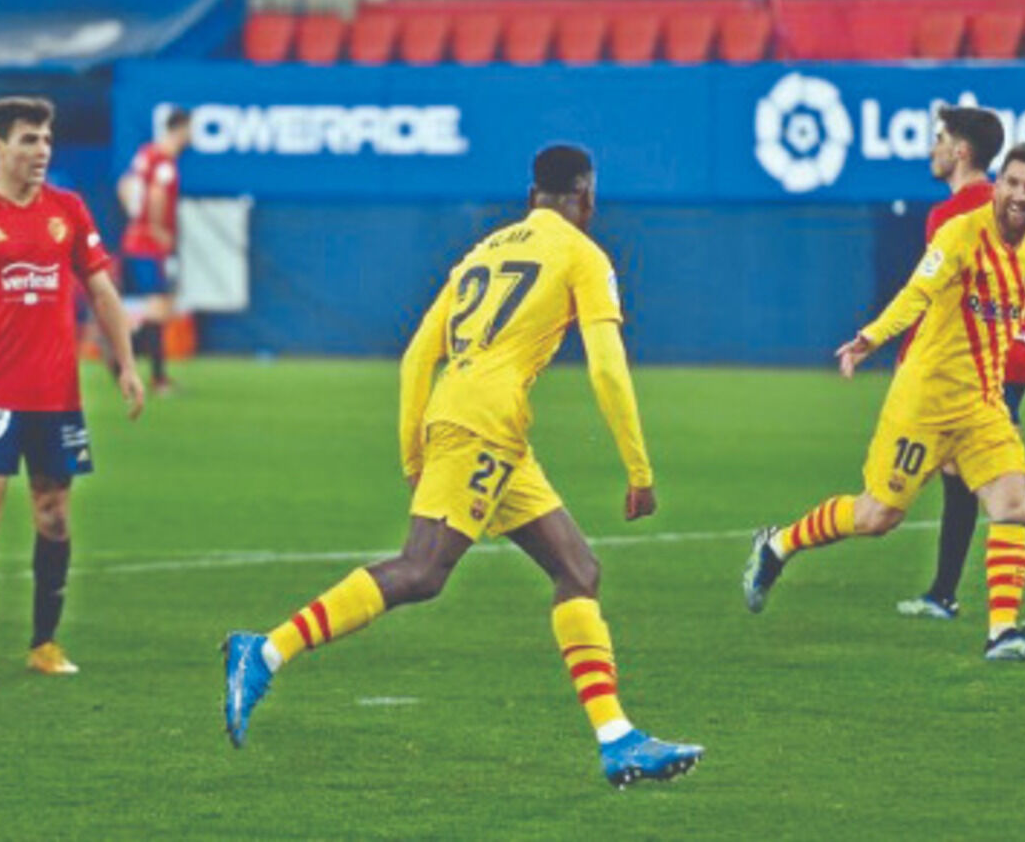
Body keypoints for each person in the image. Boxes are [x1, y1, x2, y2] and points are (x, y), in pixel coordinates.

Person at [221, 145, 703, 789]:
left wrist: (411, 454)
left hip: (488, 427)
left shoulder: (481, 251)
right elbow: (608, 365)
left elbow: (418, 356)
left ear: (533, 194)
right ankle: (267, 651)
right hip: (484, 424)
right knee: (422, 570)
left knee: (577, 569)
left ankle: (617, 740)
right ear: (586, 195)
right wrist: (638, 469)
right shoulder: (585, 256)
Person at [742, 143, 1025, 663]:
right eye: (1013, 183)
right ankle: (778, 545)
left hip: (982, 405)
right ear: (998, 186)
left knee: (1014, 504)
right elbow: (916, 293)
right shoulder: (960, 234)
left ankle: (1003, 634)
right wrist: (872, 337)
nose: (1020, 195)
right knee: (876, 516)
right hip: (923, 403)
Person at [0, 97, 145, 685]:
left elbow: (102, 291)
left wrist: (125, 364)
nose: (41, 150)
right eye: (28, 140)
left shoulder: (68, 210)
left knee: (53, 516)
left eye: (46, 139)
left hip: (57, 399)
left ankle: (44, 642)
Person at [895, 107, 1025, 628]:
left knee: (1005, 472)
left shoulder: (952, 216)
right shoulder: (1010, 203)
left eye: (940, 139)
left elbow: (934, 304)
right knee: (960, 473)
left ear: (960, 150)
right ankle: (942, 593)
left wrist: (910, 367)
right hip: (1017, 354)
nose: (932, 148)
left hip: (986, 359)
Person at [118, 107, 190, 393]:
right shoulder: (164, 162)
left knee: (154, 308)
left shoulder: (145, 154)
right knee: (159, 309)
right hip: (149, 247)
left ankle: (130, 362)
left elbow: (124, 184)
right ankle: (154, 376)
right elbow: (159, 194)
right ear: (181, 129)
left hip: (135, 241)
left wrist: (136, 216)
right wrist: (157, 227)